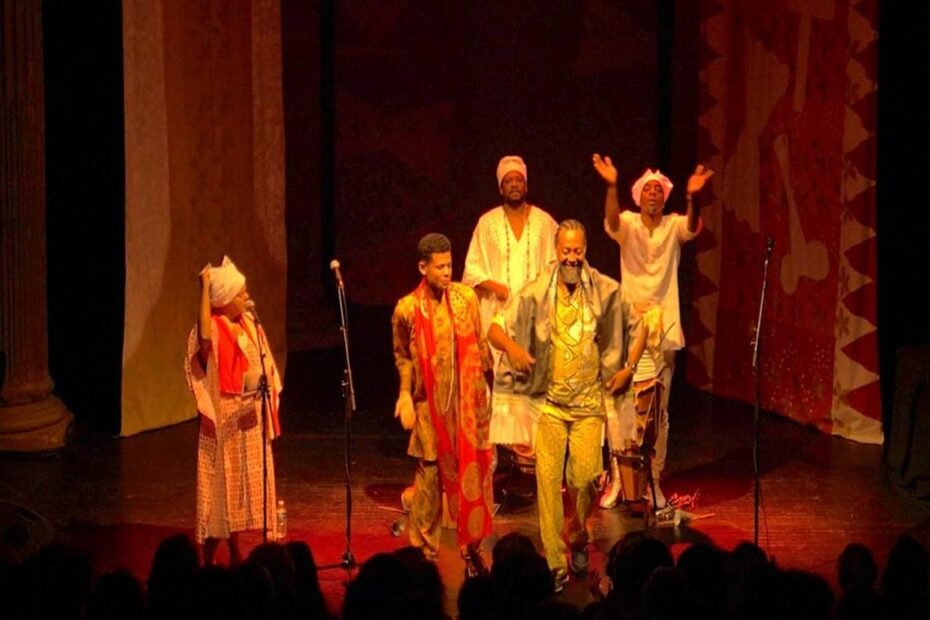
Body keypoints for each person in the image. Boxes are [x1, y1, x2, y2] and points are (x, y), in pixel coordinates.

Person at [487, 220, 639, 590]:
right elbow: (494, 328)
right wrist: (514, 348)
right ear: (556, 252)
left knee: (584, 478)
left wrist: (628, 369)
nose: (571, 257)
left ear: (585, 250)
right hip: (550, 408)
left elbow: (640, 326)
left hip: (588, 406)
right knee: (548, 481)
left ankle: (577, 534)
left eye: (577, 250)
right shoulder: (537, 291)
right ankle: (555, 562)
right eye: (565, 251)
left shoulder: (603, 290)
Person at [592, 154, 714, 509]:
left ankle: (653, 481)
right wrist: (611, 185)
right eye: (648, 190)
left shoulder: (673, 225)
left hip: (664, 331)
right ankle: (620, 479)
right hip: (628, 329)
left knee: (658, 412)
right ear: (637, 196)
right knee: (621, 409)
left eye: (659, 191)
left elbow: (692, 227)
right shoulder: (628, 223)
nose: (654, 195)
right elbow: (612, 221)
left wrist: (692, 197)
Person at [391, 233, 494, 567]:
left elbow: (479, 346)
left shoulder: (466, 299)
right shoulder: (407, 309)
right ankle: (423, 551)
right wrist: (405, 394)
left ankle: (472, 545)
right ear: (423, 267)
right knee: (431, 478)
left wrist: (486, 397)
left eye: (450, 264)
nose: (448, 271)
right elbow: (403, 357)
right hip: (428, 408)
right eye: (440, 267)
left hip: (464, 407)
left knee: (472, 474)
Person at [184, 256, 282, 565]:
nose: (247, 297)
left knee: (240, 498)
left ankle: (239, 553)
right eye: (241, 293)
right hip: (224, 425)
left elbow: (262, 362)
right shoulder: (211, 329)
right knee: (219, 499)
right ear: (224, 299)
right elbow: (203, 336)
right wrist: (205, 287)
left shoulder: (249, 324)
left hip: (249, 420)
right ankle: (207, 561)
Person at [463, 155, 559, 453]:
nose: (514, 185)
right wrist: (496, 287)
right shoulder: (487, 223)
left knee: (534, 394)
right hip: (496, 319)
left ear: (526, 185)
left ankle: (534, 463)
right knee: (499, 395)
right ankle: (500, 463)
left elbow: (559, 266)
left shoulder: (544, 222)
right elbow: (471, 271)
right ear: (500, 188)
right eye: (508, 181)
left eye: (518, 180)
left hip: (534, 318)